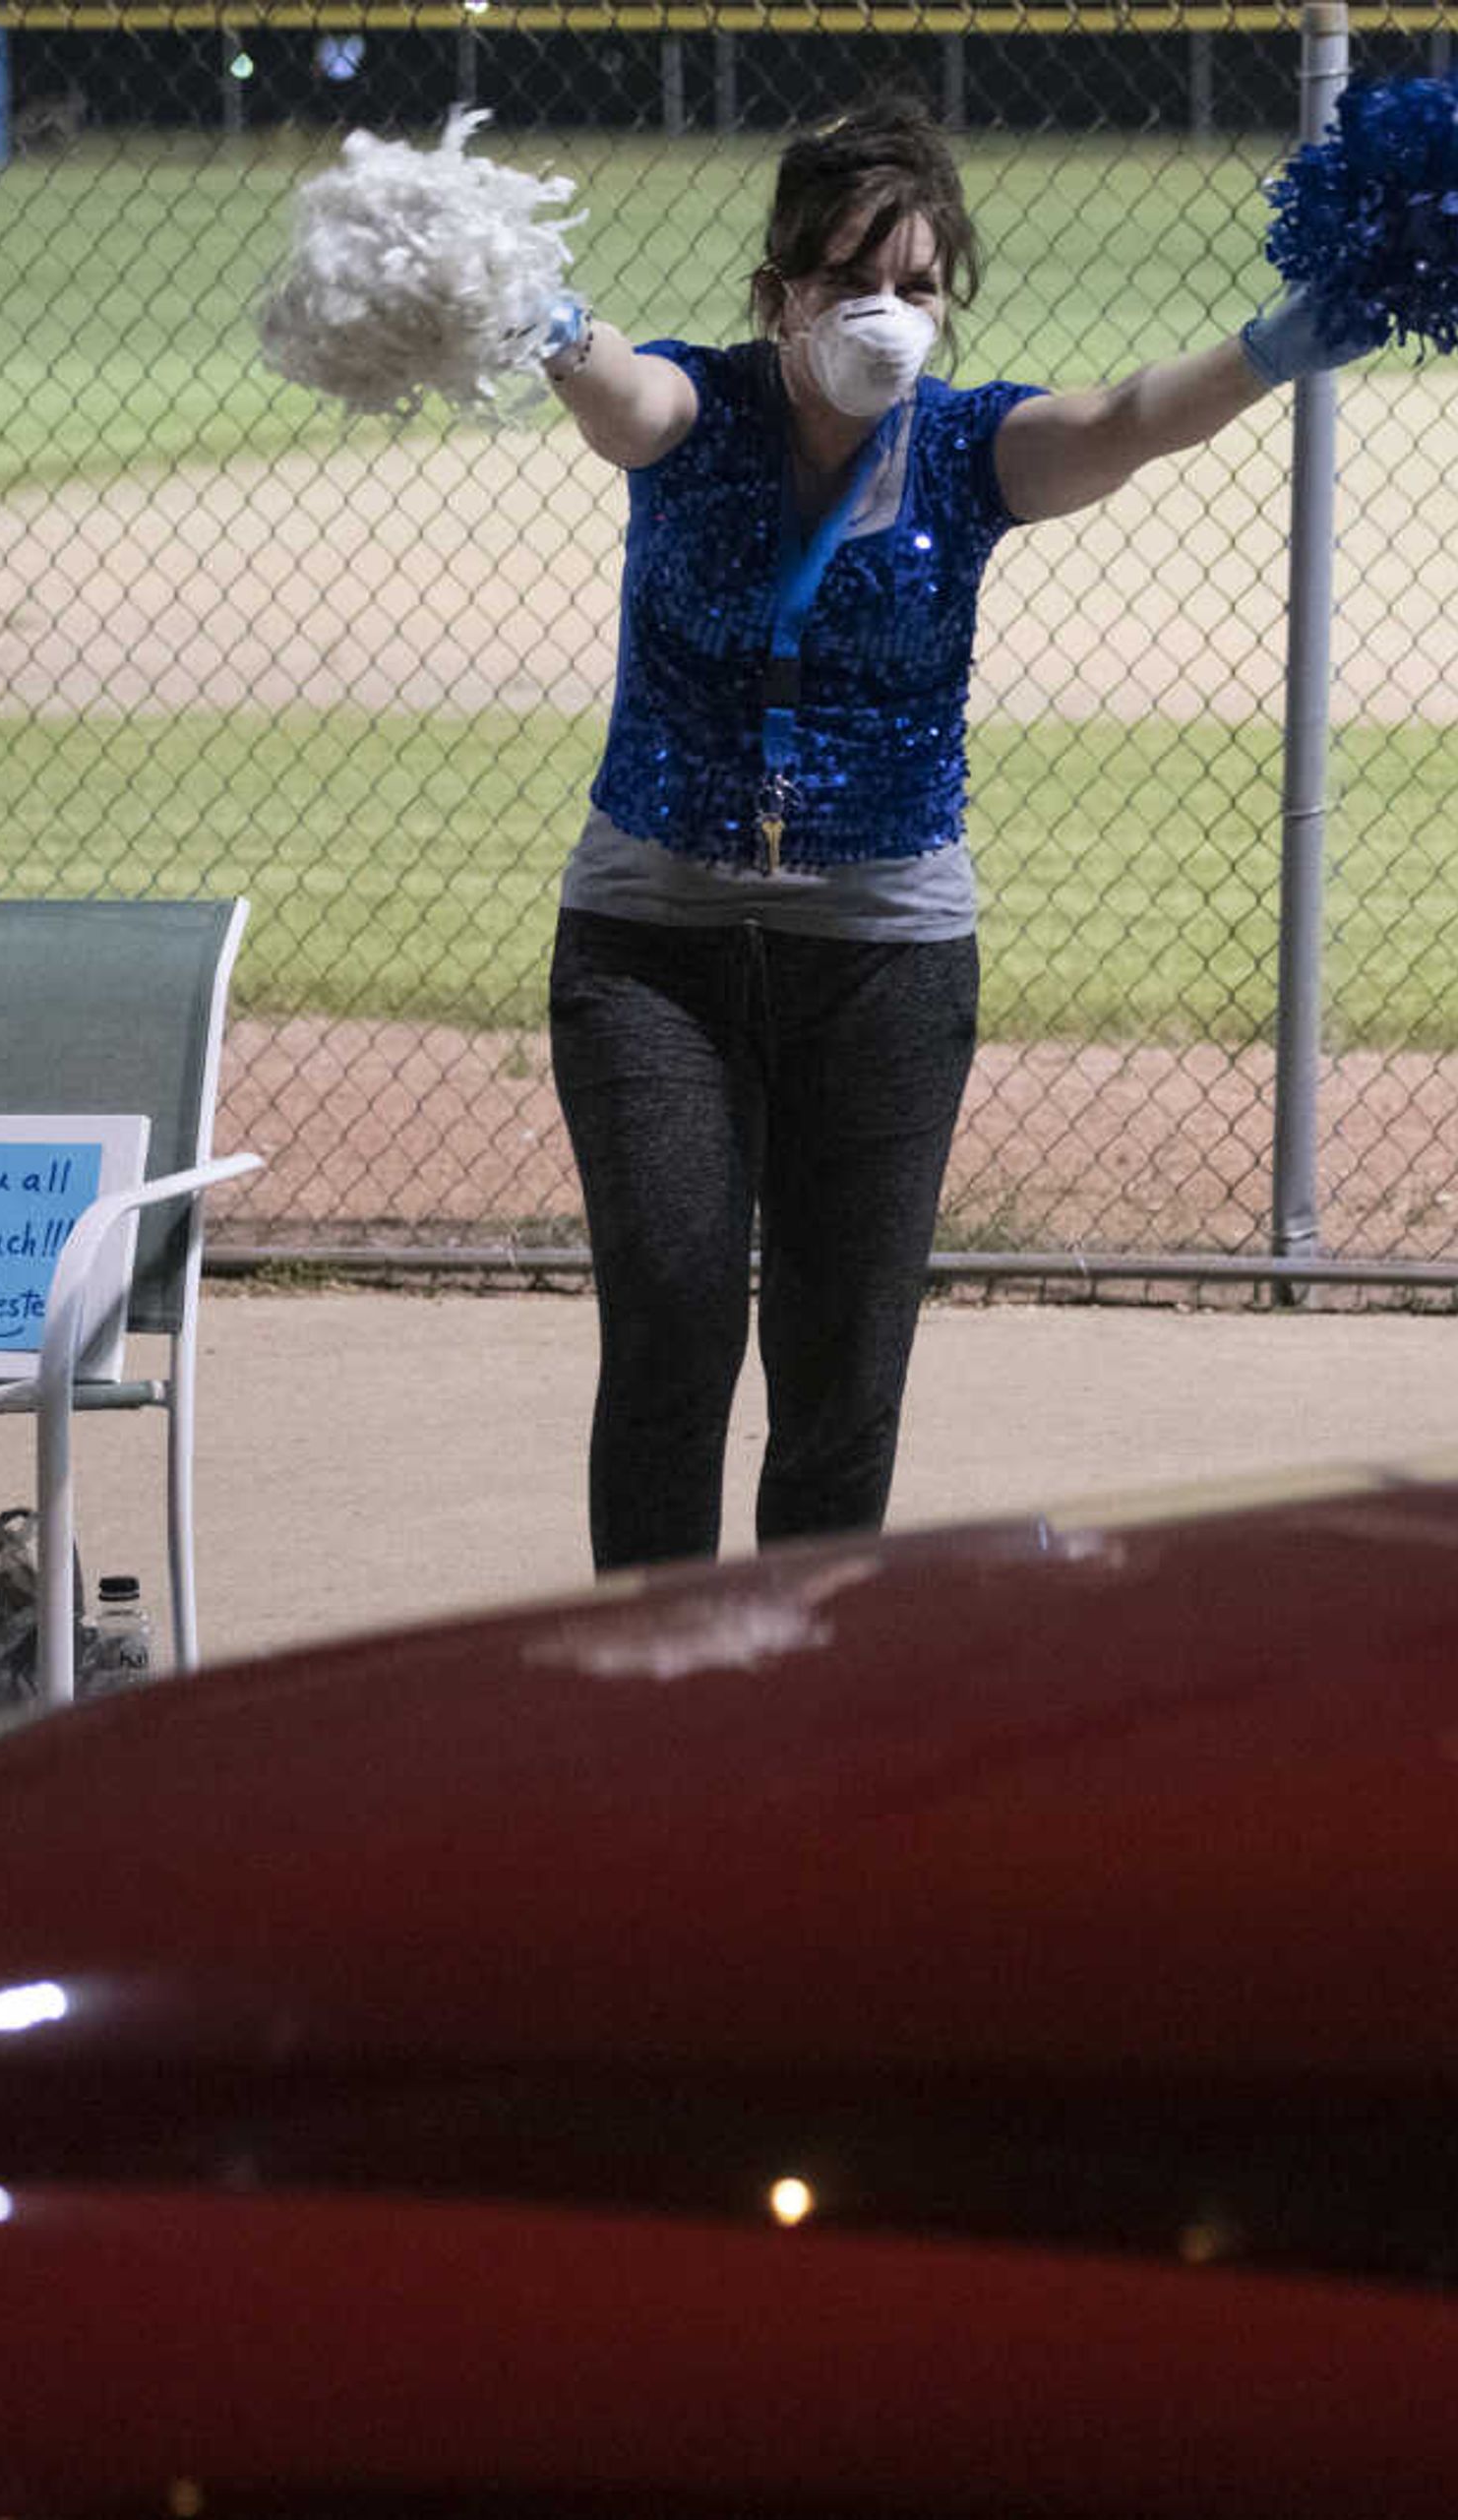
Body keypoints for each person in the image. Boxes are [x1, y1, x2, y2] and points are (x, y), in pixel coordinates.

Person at [533, 96, 1376, 1573]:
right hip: (649, 951)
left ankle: (808, 1712)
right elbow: (621, 400)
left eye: (917, 285)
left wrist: (1277, 347)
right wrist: (539, 316)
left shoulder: (972, 452)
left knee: (842, 1370)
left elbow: (1121, 420)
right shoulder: (700, 407)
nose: (885, 312)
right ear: (779, 296)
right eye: (851, 281)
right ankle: (655, 1719)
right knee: (671, 1327)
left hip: (885, 958)